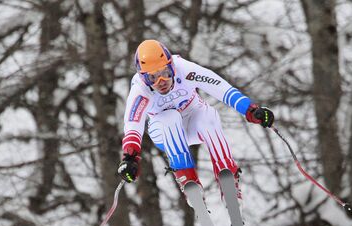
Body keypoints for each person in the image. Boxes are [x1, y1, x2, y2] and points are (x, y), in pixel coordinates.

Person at [117, 39, 274, 203]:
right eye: (153, 78)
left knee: (209, 115)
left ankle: (227, 177)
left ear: (172, 67)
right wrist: (130, 157)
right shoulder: (140, 90)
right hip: (165, 133)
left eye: (165, 73)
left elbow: (221, 88)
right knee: (170, 117)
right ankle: (188, 180)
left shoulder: (184, 69)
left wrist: (251, 110)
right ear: (144, 79)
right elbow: (133, 124)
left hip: (195, 123)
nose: (161, 82)